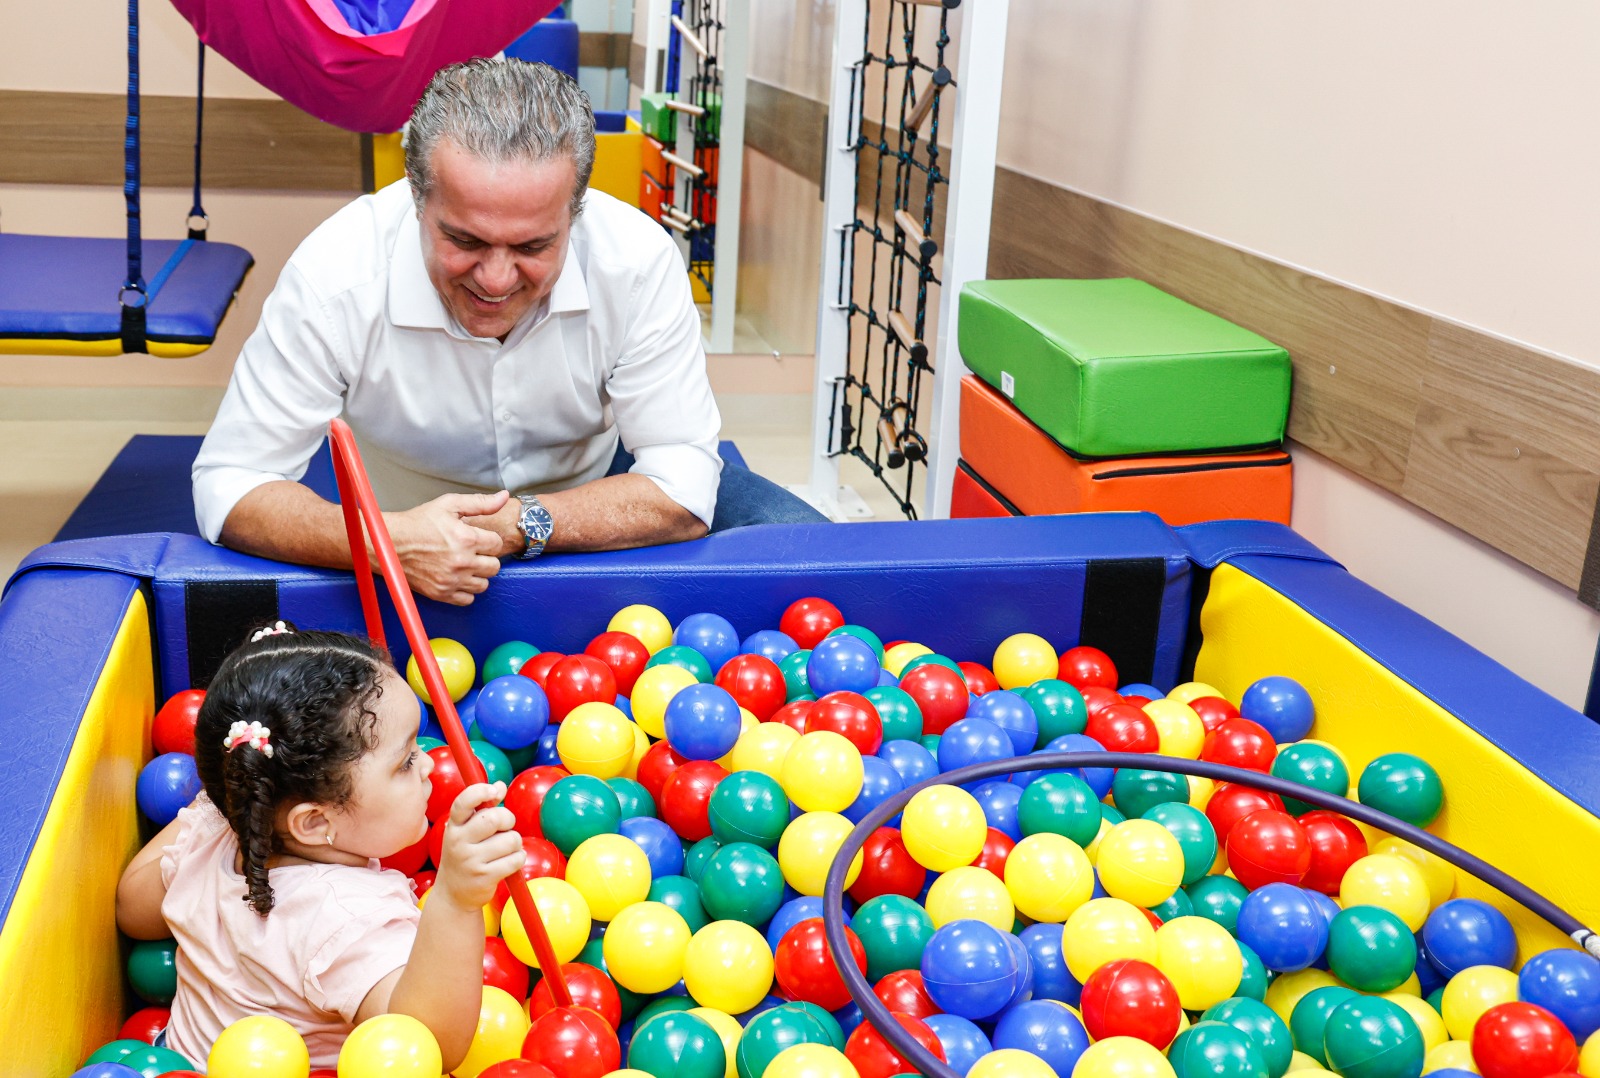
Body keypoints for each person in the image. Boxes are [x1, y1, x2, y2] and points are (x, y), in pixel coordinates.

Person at [193, 58, 825, 608]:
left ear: (575, 215)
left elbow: (682, 480)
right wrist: (389, 542)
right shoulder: (335, 275)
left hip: (598, 498)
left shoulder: (634, 260)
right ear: (417, 200)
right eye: (464, 240)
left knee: (827, 567)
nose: (495, 280)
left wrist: (522, 524)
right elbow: (231, 483)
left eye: (532, 246)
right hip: (402, 532)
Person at [114, 624, 522, 1071]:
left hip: (178, 1061)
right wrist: (455, 900)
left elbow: (133, 910)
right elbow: (429, 1043)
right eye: (404, 761)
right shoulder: (346, 914)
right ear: (313, 822)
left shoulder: (215, 834)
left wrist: (221, 800)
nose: (428, 761)